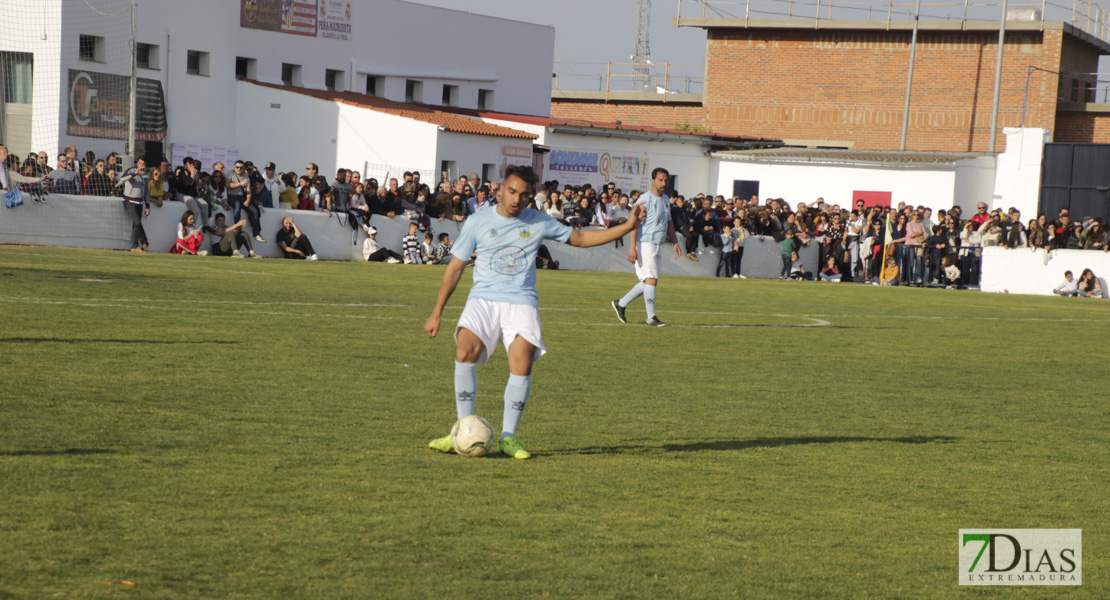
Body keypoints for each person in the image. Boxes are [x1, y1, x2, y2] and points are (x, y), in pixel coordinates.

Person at [424, 165, 645, 460]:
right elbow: (454, 268)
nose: (517, 199)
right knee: (465, 349)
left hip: (521, 300)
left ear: (530, 198)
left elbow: (579, 239)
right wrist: (437, 311)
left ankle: (508, 438)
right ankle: (461, 431)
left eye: (524, 195)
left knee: (522, 362)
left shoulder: (539, 221)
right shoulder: (477, 221)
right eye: (512, 191)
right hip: (483, 299)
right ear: (501, 189)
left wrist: (628, 226)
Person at [611, 168, 680, 327]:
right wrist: (632, 247)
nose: (664, 183)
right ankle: (651, 317)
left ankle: (621, 304)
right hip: (645, 242)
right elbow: (633, 223)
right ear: (653, 181)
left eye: (666, 180)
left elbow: (669, 222)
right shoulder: (645, 199)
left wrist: (675, 242)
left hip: (657, 243)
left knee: (649, 281)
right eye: (661, 180)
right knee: (651, 280)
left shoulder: (665, 200)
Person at [118, 157, 151, 252]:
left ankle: (134, 246)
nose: (141, 166)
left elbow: (146, 192)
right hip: (129, 201)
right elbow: (123, 179)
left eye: (143, 164)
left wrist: (147, 205)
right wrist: (134, 173)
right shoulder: (131, 170)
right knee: (137, 222)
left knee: (135, 225)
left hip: (140, 202)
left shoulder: (146, 175)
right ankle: (144, 241)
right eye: (140, 163)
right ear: (137, 164)